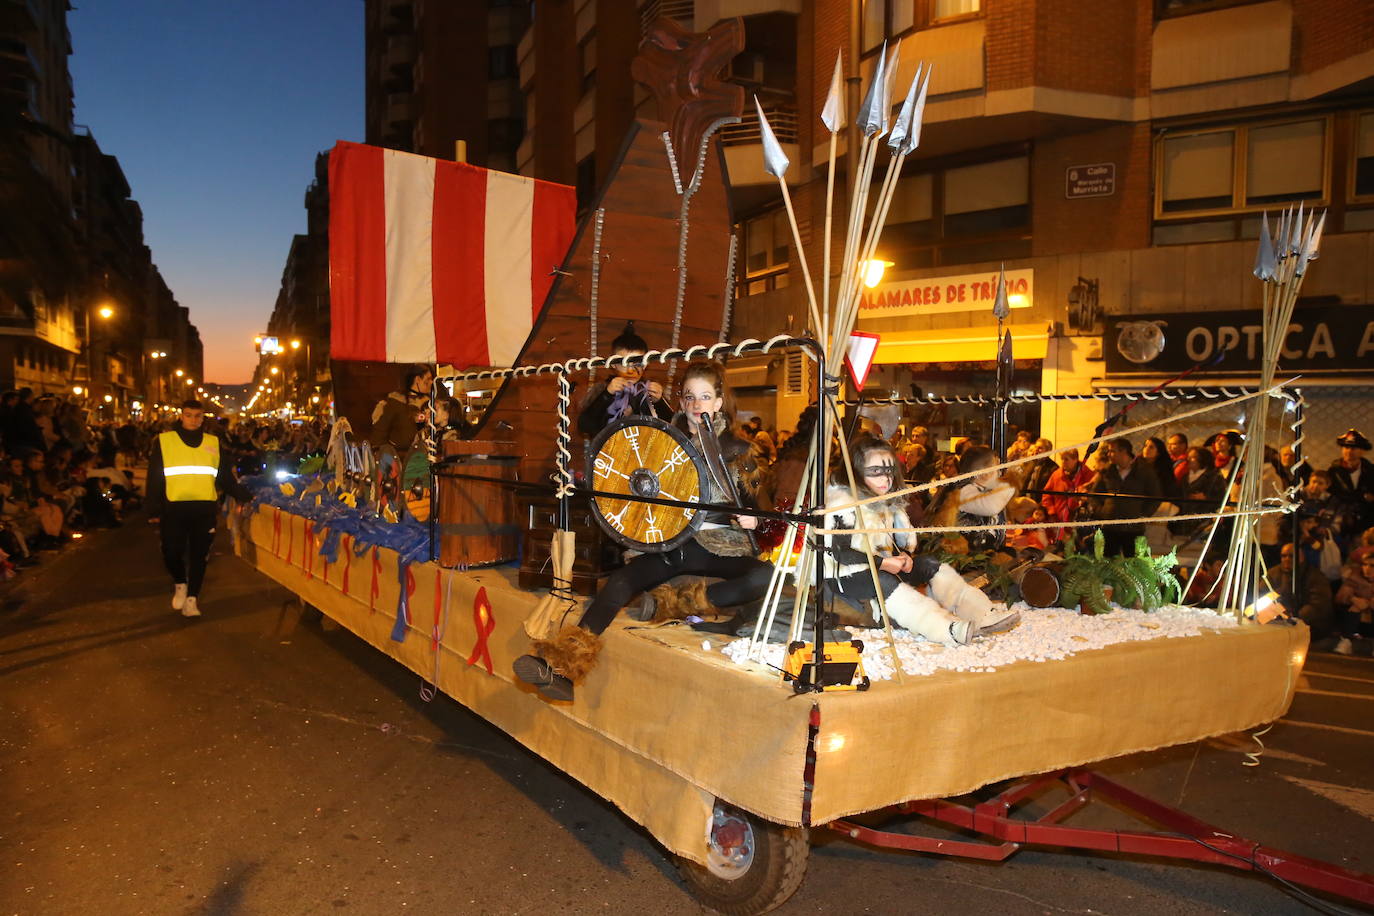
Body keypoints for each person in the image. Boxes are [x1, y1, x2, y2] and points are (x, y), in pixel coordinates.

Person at [512, 361, 772, 701]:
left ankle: (681, 605)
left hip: (724, 546)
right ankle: (562, 669)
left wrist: (755, 519)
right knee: (620, 582)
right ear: (680, 401)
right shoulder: (661, 440)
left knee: (766, 576)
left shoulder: (740, 451)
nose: (697, 405)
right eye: (690, 397)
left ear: (719, 402)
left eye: (705, 397)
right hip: (675, 541)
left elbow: (766, 512)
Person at [823, 435, 1016, 641]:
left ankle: (982, 613)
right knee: (883, 580)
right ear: (857, 471)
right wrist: (883, 563)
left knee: (928, 564)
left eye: (889, 472)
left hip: (880, 565)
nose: (885, 479)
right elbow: (839, 552)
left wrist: (904, 554)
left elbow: (896, 539)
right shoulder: (842, 503)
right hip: (845, 574)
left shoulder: (884, 500)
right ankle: (944, 629)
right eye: (876, 471)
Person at [147, 400, 254, 618]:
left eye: (197, 416)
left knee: (199, 556)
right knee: (171, 552)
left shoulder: (213, 443)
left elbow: (224, 477)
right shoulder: (164, 442)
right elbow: (155, 476)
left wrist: (246, 496)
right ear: (181, 416)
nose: (193, 420)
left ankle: (192, 599)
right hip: (173, 507)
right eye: (189, 415)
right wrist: (153, 508)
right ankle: (180, 582)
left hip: (204, 508)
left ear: (203, 418)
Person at [577, 321, 672, 437]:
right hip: (607, 452)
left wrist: (659, 402)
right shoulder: (602, 389)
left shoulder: (649, 392)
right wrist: (606, 394)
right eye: (624, 363)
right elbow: (584, 426)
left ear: (645, 365)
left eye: (637, 364)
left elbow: (672, 427)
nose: (630, 371)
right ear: (613, 364)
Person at [931, 445, 1019, 555]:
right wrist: (1011, 482)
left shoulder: (985, 491)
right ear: (983, 473)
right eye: (996, 467)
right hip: (963, 563)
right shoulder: (962, 491)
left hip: (981, 558)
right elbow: (992, 507)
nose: (1000, 473)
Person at [1090, 437, 1161, 556]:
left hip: (1133, 527)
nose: (1109, 454)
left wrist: (1143, 514)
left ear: (1124, 452)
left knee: (1134, 562)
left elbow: (1155, 496)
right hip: (1110, 526)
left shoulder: (1144, 471)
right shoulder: (1107, 471)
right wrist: (1101, 511)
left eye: (1112, 451)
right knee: (1109, 562)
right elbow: (1094, 494)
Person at [1269, 542, 1333, 643]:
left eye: (1291, 556)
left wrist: (1295, 618)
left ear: (1301, 557)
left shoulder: (1314, 576)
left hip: (1307, 624)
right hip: (1278, 619)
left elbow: (1318, 604)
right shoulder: (1274, 573)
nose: (1287, 559)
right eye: (1284, 556)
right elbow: (1262, 594)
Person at [370, 364, 434, 454]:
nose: (431, 382)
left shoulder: (430, 403)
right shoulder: (396, 401)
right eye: (428, 379)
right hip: (400, 456)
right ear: (417, 379)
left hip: (425, 455)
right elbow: (380, 432)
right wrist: (381, 454)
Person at [1328, 429, 1374, 538]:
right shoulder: (1334, 471)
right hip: (1341, 522)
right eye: (1346, 448)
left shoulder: (1370, 470)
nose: (1349, 451)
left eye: (1353, 448)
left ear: (1362, 451)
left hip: (1367, 522)